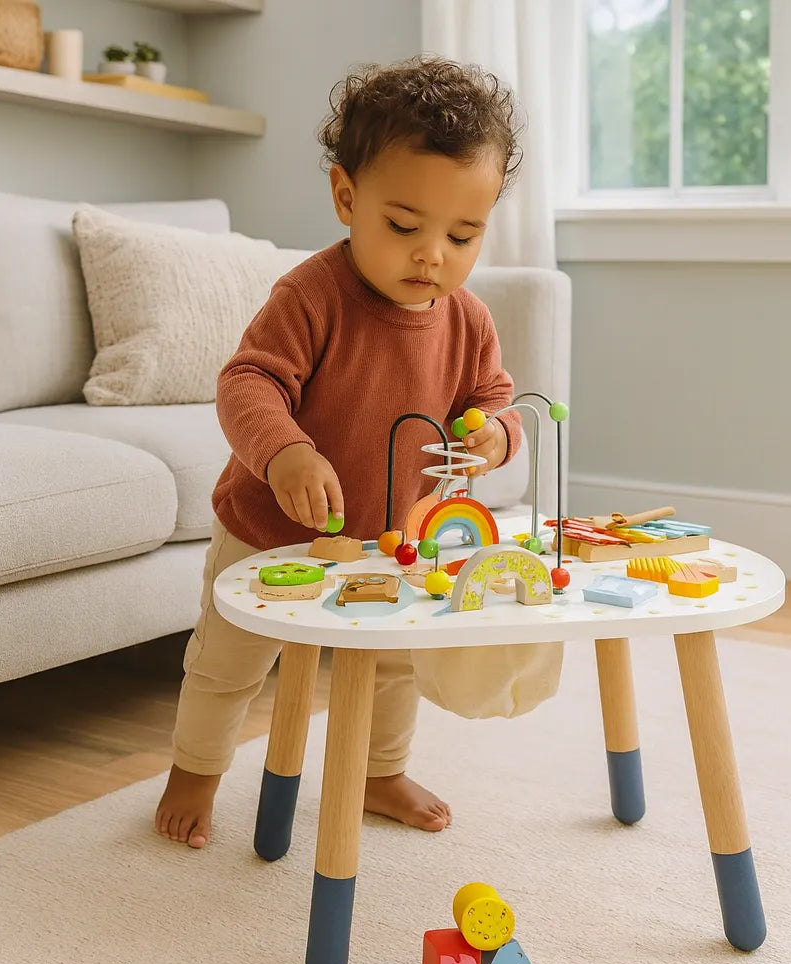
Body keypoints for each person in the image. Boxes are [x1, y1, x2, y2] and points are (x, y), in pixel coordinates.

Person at [155, 55, 528, 849]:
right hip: (267, 527)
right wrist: (283, 452)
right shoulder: (311, 295)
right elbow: (248, 381)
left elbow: (491, 401)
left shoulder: (467, 320)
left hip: (391, 541)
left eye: (464, 235)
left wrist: (495, 434)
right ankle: (194, 772)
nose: (434, 254)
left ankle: (377, 773)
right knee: (228, 665)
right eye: (405, 226)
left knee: (393, 668)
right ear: (346, 197)